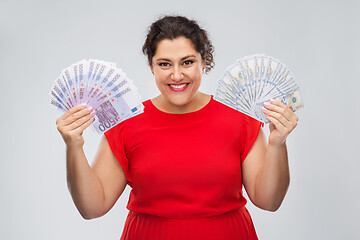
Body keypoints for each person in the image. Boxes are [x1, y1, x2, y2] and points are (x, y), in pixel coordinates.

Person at [56, 15, 298, 240]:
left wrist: (278, 142)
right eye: (164, 64)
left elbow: (269, 201)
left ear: (204, 62)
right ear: (151, 67)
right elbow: (92, 207)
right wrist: (73, 147)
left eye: (187, 62)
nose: (177, 75)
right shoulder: (125, 123)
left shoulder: (240, 119)